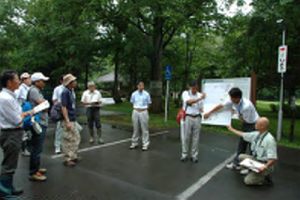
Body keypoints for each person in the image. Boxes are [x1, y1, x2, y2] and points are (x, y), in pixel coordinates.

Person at [204, 87, 259, 171]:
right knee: (242, 144)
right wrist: (209, 113)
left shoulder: (246, 106)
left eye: (231, 98)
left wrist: (235, 113)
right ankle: (236, 164)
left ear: (237, 98)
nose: (230, 99)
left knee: (252, 147)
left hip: (253, 124)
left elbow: (243, 119)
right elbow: (221, 106)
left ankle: (250, 168)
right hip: (246, 123)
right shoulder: (233, 100)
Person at [0, 70, 32, 198]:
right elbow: (17, 120)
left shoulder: (10, 95)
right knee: (9, 164)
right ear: (9, 82)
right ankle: (4, 192)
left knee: (11, 162)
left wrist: (23, 114)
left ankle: (8, 187)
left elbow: (17, 115)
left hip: (12, 133)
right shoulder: (5, 98)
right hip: (10, 133)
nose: (19, 81)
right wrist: (27, 114)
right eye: (17, 79)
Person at [227, 117, 277, 186]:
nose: (255, 124)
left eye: (257, 123)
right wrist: (231, 129)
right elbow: (243, 134)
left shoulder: (269, 140)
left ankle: (264, 177)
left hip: (264, 165)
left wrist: (264, 167)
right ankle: (254, 172)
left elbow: (273, 159)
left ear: (262, 126)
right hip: (256, 160)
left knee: (247, 181)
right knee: (241, 157)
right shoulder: (256, 134)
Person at [28, 72, 50, 182]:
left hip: (41, 121)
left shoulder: (37, 90)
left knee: (38, 147)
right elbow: (45, 105)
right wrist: (45, 105)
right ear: (37, 82)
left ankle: (36, 168)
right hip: (38, 122)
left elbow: (45, 105)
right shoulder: (34, 91)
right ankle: (33, 172)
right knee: (36, 147)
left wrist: (45, 105)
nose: (44, 83)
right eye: (43, 81)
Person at [180, 80, 205, 163]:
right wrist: (200, 98)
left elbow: (201, 108)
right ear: (189, 87)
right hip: (187, 117)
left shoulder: (200, 95)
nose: (194, 89)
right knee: (186, 137)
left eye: (195, 87)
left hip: (197, 117)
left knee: (196, 137)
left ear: (197, 86)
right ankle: (184, 154)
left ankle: (194, 155)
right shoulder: (185, 93)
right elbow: (189, 102)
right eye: (192, 87)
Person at [61, 74, 82, 167]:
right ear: (70, 83)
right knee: (68, 139)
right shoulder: (65, 92)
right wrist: (67, 121)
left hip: (72, 118)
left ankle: (73, 156)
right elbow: (63, 107)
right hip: (68, 119)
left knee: (76, 138)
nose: (76, 82)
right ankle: (68, 158)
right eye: (74, 81)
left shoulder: (70, 91)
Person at [129, 81, 151, 151]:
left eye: (142, 85)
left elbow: (149, 103)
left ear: (143, 86)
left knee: (145, 129)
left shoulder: (146, 94)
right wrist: (136, 108)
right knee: (135, 128)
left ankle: (145, 144)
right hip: (135, 111)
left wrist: (144, 109)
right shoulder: (134, 94)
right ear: (137, 86)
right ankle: (134, 143)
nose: (141, 87)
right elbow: (132, 102)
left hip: (143, 111)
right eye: (140, 85)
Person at [15, 72, 32, 157]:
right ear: (24, 80)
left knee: (28, 130)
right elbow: (16, 99)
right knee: (24, 131)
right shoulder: (20, 88)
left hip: (28, 112)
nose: (30, 79)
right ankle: (23, 150)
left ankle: (27, 148)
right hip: (22, 112)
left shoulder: (28, 88)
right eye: (28, 78)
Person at [52, 75, 65, 154]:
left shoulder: (71, 89)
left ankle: (66, 145)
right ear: (61, 81)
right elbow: (54, 100)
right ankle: (57, 147)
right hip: (60, 110)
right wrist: (59, 107)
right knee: (59, 129)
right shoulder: (57, 89)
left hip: (68, 111)